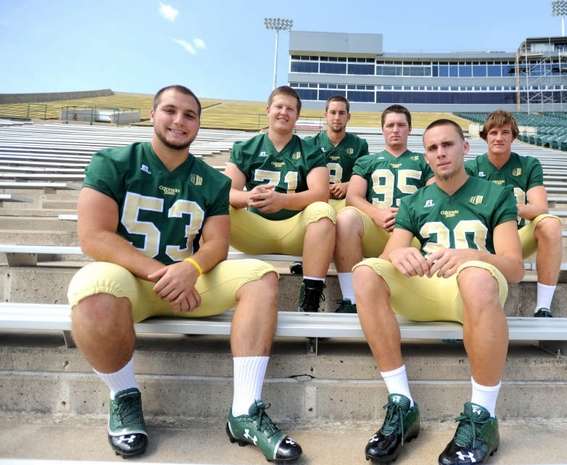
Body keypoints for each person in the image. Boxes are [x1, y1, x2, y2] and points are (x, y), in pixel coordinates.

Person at [67, 85, 302, 463]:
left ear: (198, 124)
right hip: (133, 284)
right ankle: (123, 396)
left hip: (189, 283)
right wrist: (165, 275)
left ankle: (244, 409)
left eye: (190, 115)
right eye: (170, 111)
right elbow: (93, 236)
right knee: (92, 288)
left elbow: (216, 245)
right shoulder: (113, 162)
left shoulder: (211, 180)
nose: (179, 121)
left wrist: (191, 269)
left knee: (261, 275)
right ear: (152, 114)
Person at [353, 119, 523, 465]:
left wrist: (472, 255)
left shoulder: (495, 193)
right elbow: (388, 258)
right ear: (426, 156)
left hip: (475, 292)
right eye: (432, 148)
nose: (440, 153)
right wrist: (399, 253)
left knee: (475, 276)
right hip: (429, 288)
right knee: (367, 272)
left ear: (465, 148)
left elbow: (514, 267)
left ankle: (482, 418)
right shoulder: (416, 201)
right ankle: (402, 405)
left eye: (448, 144)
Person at [225, 85, 335, 312]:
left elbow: (321, 193)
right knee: (216, 207)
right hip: (255, 229)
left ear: (297, 115)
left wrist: (282, 201)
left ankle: (311, 298)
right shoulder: (245, 148)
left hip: (296, 231)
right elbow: (227, 192)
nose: (284, 112)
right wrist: (248, 197)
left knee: (323, 212)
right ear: (268, 110)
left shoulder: (310, 150)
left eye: (290, 109)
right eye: (279, 106)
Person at [333, 105, 432, 313]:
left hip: (411, 233)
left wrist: (408, 216)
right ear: (383, 129)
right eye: (390, 125)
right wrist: (376, 214)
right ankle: (351, 299)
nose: (395, 129)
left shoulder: (424, 161)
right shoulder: (367, 161)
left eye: (401, 125)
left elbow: (434, 196)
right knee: (346, 217)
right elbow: (353, 196)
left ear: (410, 129)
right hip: (377, 228)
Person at [466, 110, 562, 317]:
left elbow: (540, 207)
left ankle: (543, 306)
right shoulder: (471, 167)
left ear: (513, 136)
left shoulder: (529, 165)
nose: (499, 138)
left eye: (505, 132)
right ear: (485, 136)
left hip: (516, 238)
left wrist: (503, 207)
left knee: (550, 223)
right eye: (493, 133)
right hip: (483, 239)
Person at [304, 95, 369, 211]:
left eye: (341, 113)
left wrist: (348, 185)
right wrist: (319, 188)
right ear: (325, 115)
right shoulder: (310, 144)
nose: (337, 117)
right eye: (333, 112)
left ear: (348, 117)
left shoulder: (360, 145)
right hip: (316, 202)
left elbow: (366, 177)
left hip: (347, 202)